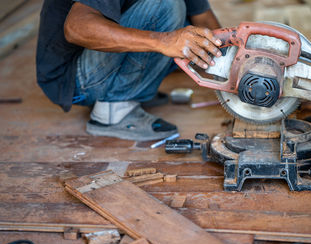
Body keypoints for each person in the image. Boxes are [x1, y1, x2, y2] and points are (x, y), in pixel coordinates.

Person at [36, 0, 222, 141]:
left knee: (190, 33)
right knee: (166, 7)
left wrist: (233, 66)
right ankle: (113, 111)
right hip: (72, 79)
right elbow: (76, 28)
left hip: (93, 64)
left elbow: (203, 19)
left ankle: (134, 87)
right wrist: (165, 40)